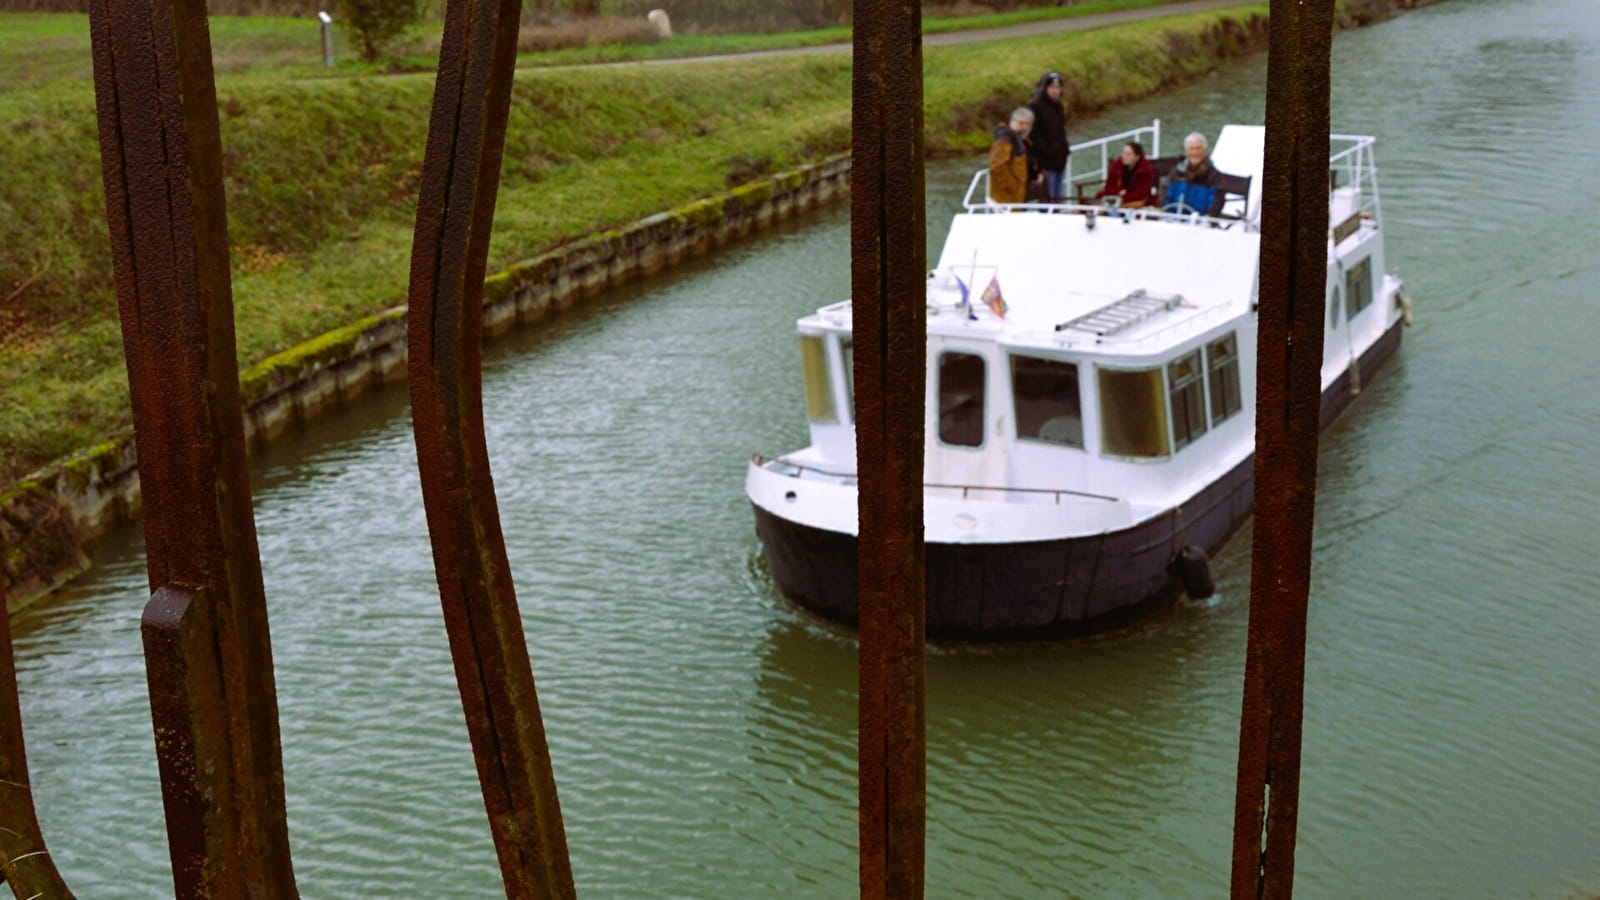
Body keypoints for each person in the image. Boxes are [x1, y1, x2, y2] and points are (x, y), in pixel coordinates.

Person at [1025, 72, 1070, 202]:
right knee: (1047, 199)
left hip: (1060, 160)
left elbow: (1060, 131)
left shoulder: (1058, 105)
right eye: (1052, 87)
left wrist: (1064, 150)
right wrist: (1046, 154)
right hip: (1045, 163)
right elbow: (1034, 136)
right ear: (1045, 88)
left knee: (1057, 198)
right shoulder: (1034, 106)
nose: (1055, 91)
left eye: (1058, 87)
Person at [988, 107, 1043, 204]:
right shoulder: (1003, 141)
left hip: (1023, 190)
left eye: (1028, 124)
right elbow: (997, 168)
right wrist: (1013, 186)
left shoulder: (1023, 139)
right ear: (1012, 121)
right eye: (1021, 123)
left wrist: (1038, 172)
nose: (1025, 127)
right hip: (1009, 195)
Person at [1163, 132, 1222, 215]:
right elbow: (1165, 194)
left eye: (1198, 148)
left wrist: (1206, 219)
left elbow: (1217, 203)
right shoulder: (1176, 172)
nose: (1195, 152)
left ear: (1205, 151)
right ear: (1186, 151)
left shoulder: (1214, 176)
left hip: (1200, 221)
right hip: (1173, 218)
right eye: (1191, 149)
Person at [1095, 140, 1155, 208]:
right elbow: (1109, 185)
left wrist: (1123, 196)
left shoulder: (1145, 170)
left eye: (1128, 154)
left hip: (1136, 200)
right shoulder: (1118, 164)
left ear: (1137, 157)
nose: (1124, 156)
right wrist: (1118, 193)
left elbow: (1142, 192)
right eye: (1123, 152)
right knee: (1099, 195)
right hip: (1118, 195)